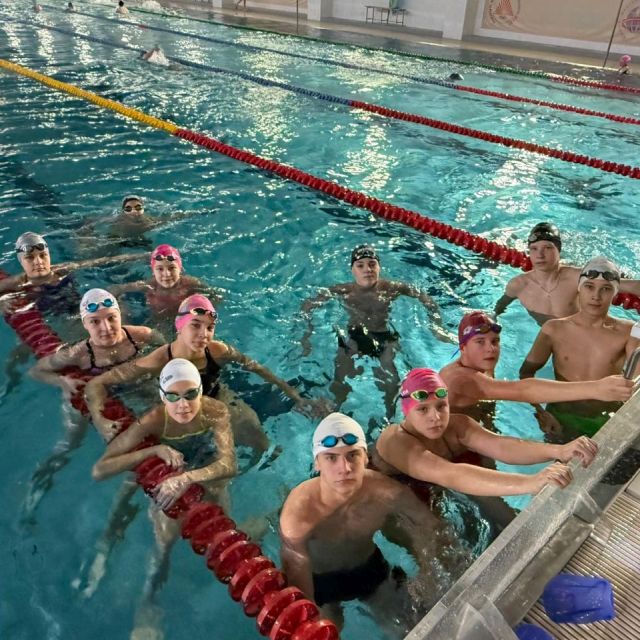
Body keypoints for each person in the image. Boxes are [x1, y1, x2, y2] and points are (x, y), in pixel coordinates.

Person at [280, 412, 464, 633]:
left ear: (366, 458)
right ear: (317, 463)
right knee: (325, 630)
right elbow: (299, 585)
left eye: (352, 455)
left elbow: (431, 528)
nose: (345, 468)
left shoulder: (386, 492)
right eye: (331, 458)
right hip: (319, 581)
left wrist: (429, 572)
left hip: (369, 569)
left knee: (411, 627)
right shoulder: (299, 512)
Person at [93, 358, 236, 639]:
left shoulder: (215, 411)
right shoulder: (153, 419)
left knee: (226, 529)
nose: (183, 404)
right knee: (164, 541)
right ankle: (146, 601)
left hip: (199, 465)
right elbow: (101, 469)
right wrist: (153, 451)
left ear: (201, 391)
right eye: (173, 396)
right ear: (162, 396)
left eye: (190, 394)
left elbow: (229, 464)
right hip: (163, 469)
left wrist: (187, 478)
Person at [85, 294, 328, 446]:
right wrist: (100, 419)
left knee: (260, 440)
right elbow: (98, 382)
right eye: (196, 325)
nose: (204, 334)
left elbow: (258, 368)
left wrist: (297, 398)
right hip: (177, 408)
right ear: (179, 326)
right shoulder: (160, 358)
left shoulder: (217, 350)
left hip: (217, 397)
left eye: (210, 327)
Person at [24, 289, 161, 521]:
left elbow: (169, 355)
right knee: (70, 443)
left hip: (134, 389)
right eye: (95, 322)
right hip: (88, 399)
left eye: (111, 318)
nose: (106, 328)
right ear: (85, 325)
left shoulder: (142, 336)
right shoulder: (78, 353)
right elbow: (36, 371)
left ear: (120, 315)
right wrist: (62, 382)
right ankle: (40, 480)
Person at [373, 369, 597, 505]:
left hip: (445, 474)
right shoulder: (396, 440)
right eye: (422, 409)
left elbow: (500, 446)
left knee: (500, 511)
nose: (436, 417)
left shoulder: (457, 425)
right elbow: (449, 474)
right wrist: (530, 482)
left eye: (441, 406)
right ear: (406, 411)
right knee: (436, 539)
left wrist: (559, 451)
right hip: (401, 490)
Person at [301, 244, 452, 419]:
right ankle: (336, 410)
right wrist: (306, 335)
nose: (367, 269)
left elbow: (424, 297)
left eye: (372, 264)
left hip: (384, 337)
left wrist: (436, 327)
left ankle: (390, 416)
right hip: (355, 336)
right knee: (340, 373)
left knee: (391, 379)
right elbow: (307, 306)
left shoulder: (391, 287)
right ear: (352, 270)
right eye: (360, 265)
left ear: (379, 267)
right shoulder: (344, 290)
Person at [439, 310, 633, 427]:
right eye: (480, 342)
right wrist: (596, 388)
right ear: (463, 348)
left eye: (495, 341)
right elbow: (522, 390)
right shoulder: (459, 379)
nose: (491, 348)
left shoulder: (481, 364)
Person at [520, 257, 640, 438]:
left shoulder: (629, 332)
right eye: (589, 286)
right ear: (579, 288)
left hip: (606, 418)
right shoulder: (553, 329)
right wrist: (540, 412)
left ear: (615, 294)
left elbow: (635, 383)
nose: (596, 296)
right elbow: (526, 374)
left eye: (606, 289)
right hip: (560, 415)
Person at [494, 222, 640, 325]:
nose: (540, 255)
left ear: (559, 250)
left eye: (548, 248)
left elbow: (632, 286)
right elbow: (498, 309)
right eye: (534, 249)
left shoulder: (577, 277)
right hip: (546, 338)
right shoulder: (518, 285)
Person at [0, 232, 145, 316]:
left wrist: (141, 256)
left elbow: (102, 261)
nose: (38, 262)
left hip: (77, 307)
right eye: (30, 258)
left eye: (43, 255)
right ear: (21, 262)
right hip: (54, 318)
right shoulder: (17, 283)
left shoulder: (62, 270)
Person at [111, 244, 220, 326]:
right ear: (153, 271)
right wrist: (120, 309)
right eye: (160, 269)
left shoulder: (190, 283)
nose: (166, 274)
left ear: (180, 269)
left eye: (172, 268)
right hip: (159, 323)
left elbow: (216, 295)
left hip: (186, 322)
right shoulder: (147, 285)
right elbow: (114, 290)